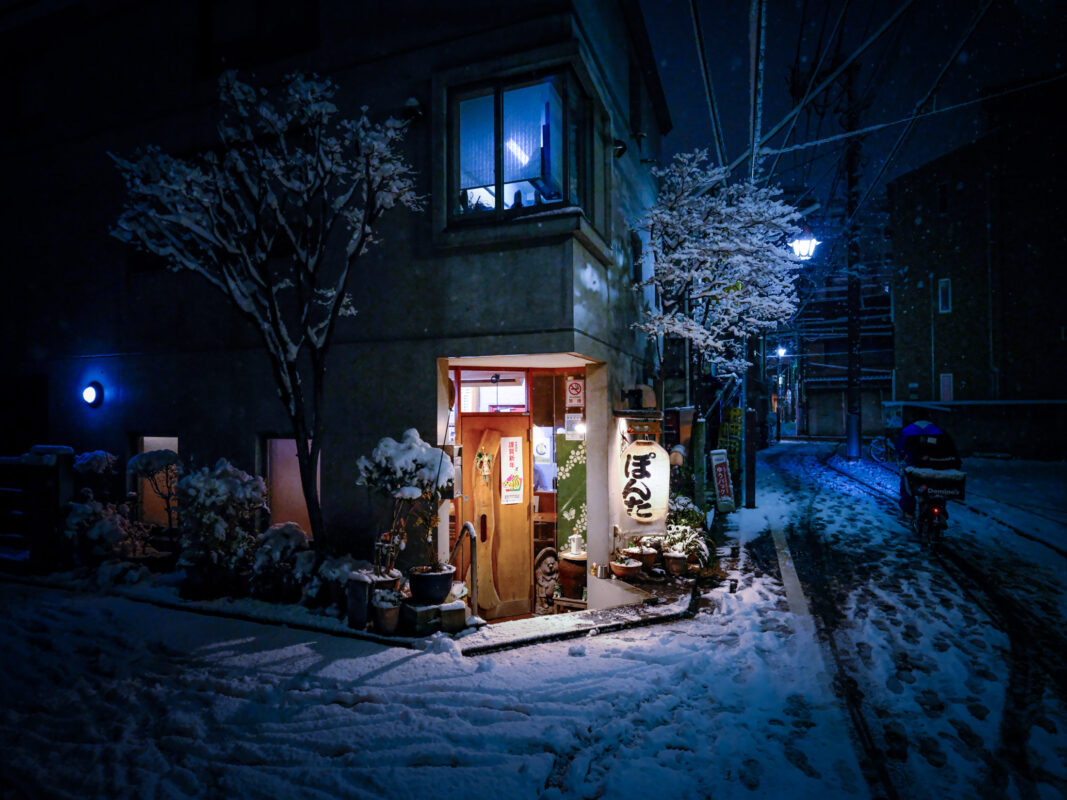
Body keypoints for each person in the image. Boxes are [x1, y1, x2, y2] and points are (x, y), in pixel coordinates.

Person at [896, 420, 961, 518]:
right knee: (939, 487)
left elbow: (900, 448)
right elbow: (950, 450)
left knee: (907, 485)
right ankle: (941, 508)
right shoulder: (939, 432)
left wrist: (902, 457)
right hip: (937, 466)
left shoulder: (908, 432)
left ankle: (909, 511)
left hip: (916, 465)